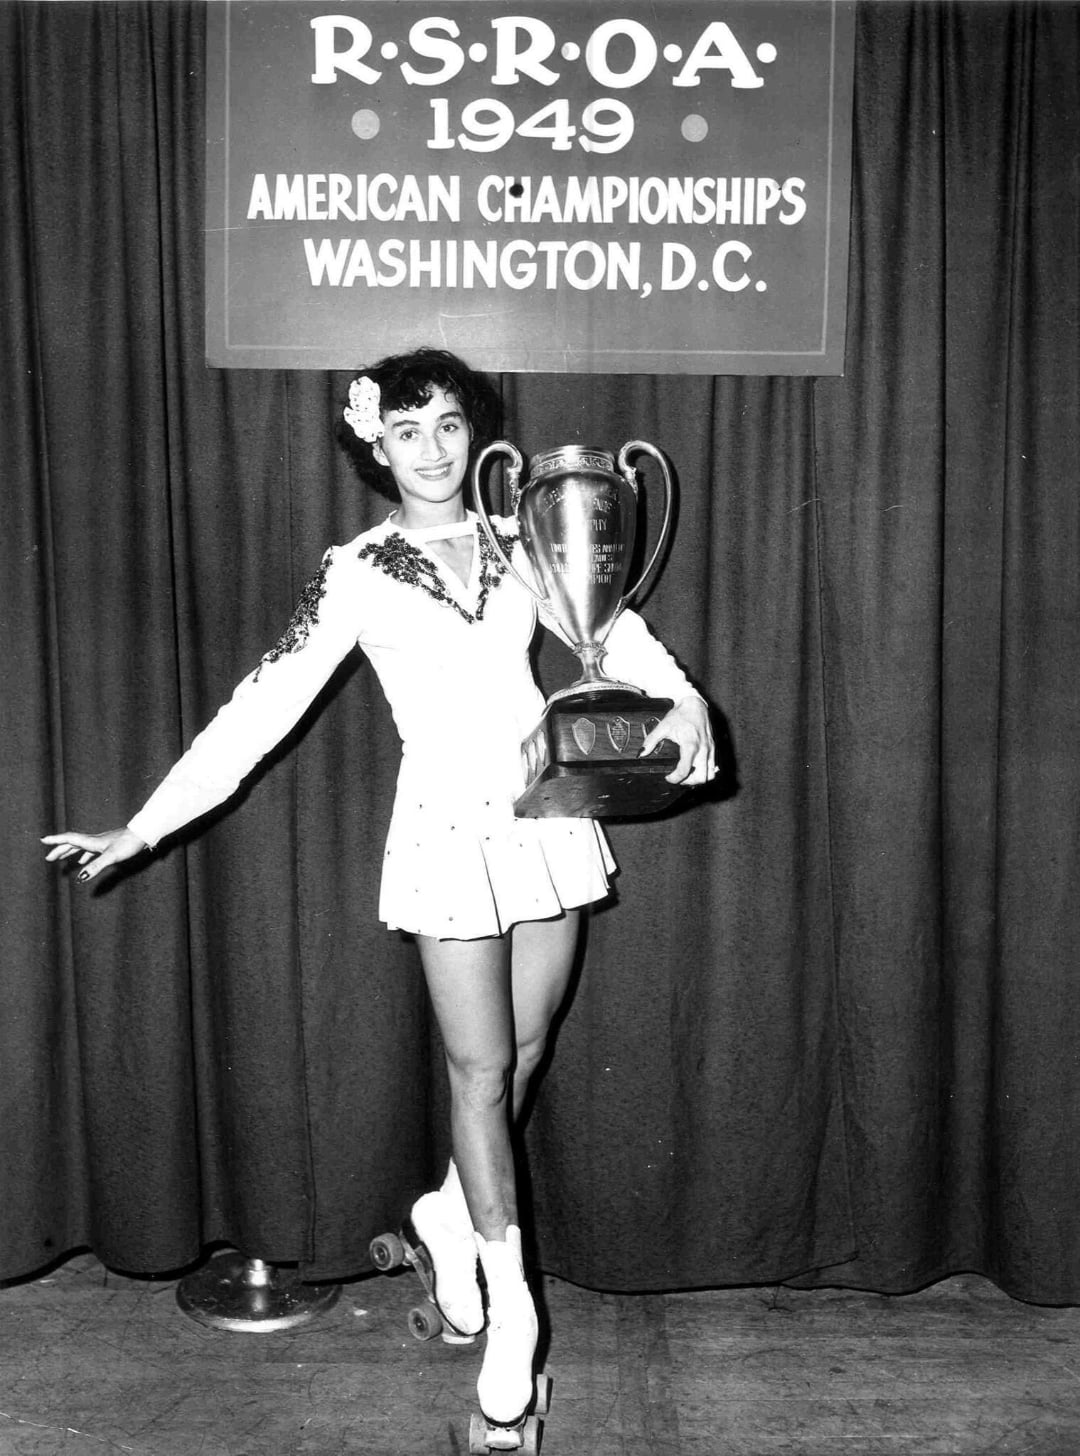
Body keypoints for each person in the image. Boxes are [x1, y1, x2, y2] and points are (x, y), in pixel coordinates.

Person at [42, 348, 714, 1444]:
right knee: (480, 1069)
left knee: (528, 1052)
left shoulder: (517, 535)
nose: (434, 447)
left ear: (474, 432)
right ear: (374, 444)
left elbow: (614, 631)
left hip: (546, 816)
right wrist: (148, 821)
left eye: (450, 423)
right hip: (448, 831)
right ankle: (512, 1324)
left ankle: (450, 1214)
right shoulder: (355, 569)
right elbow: (259, 707)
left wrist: (682, 700)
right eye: (408, 430)